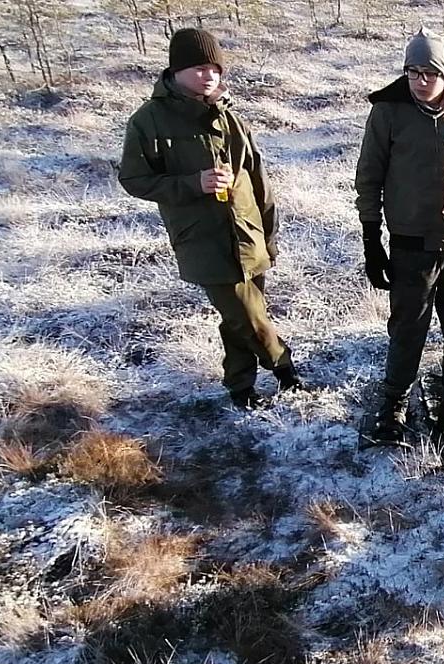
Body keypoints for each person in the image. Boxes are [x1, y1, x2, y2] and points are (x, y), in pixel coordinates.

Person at [118, 28, 300, 410]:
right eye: (200, 68)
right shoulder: (148, 121)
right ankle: (285, 369)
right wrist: (191, 184)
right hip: (202, 239)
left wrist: (268, 233)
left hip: (248, 232)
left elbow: (258, 180)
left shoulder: (230, 117)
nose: (209, 76)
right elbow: (134, 179)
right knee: (247, 316)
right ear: (176, 70)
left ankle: (240, 389)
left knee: (239, 318)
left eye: (215, 69)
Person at [356, 28, 444, 453]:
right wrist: (371, 238)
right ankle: (394, 404)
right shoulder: (387, 114)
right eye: (413, 71)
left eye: (430, 72)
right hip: (410, 248)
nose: (420, 80)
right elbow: (369, 179)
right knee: (407, 331)